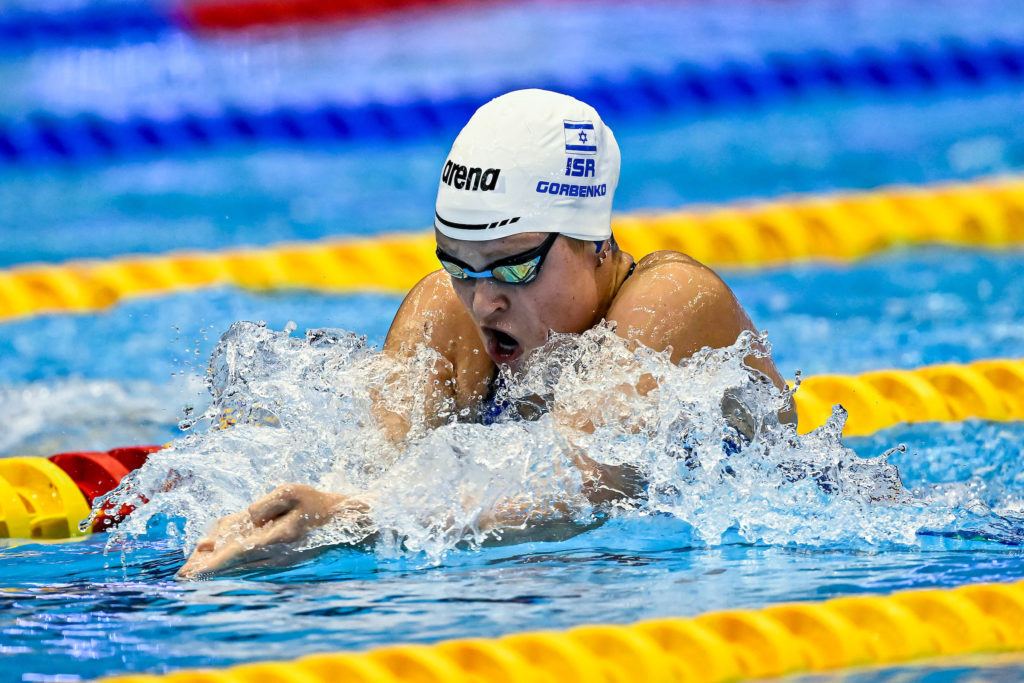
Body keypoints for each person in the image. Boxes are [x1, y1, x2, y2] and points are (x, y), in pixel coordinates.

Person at [177, 89, 793, 578]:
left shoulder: (673, 302)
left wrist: (359, 518)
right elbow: (373, 473)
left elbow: (578, 483)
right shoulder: (448, 310)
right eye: (459, 266)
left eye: (516, 266)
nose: (484, 300)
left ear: (596, 242)